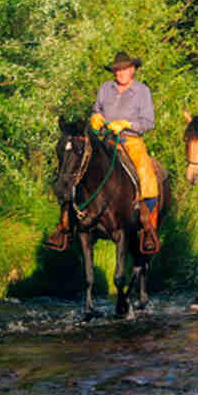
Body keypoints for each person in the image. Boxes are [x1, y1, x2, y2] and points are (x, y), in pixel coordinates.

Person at [45, 50, 161, 253]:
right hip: (104, 141)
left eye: (124, 69)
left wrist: (126, 124)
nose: (121, 73)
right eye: (117, 70)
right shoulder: (105, 88)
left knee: (147, 176)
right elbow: (96, 109)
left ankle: (148, 229)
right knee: (74, 169)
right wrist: (95, 118)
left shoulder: (142, 91)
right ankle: (64, 225)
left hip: (130, 140)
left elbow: (148, 122)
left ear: (132, 70)